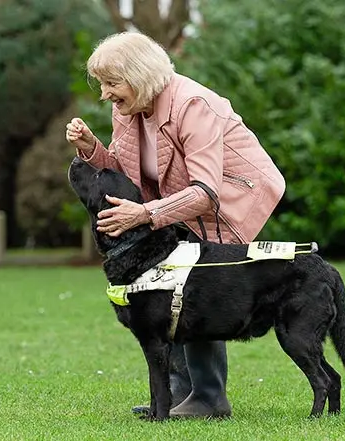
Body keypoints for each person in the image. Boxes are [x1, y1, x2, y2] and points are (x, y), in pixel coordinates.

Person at [65, 31, 286, 419]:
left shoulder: (193, 105)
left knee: (196, 287)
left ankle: (208, 396)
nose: (104, 94)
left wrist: (147, 214)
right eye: (102, 84)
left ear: (140, 76)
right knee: (168, 286)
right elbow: (126, 177)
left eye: (111, 83)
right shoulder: (128, 109)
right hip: (176, 197)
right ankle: (178, 394)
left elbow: (205, 191)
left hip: (230, 197)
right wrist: (91, 149)